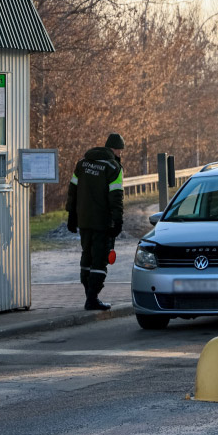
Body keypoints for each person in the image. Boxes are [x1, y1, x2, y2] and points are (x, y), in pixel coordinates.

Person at [66, 133, 125, 310]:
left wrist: (71, 215)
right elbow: (116, 197)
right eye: (120, 150)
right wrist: (118, 220)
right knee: (100, 260)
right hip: (102, 222)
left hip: (84, 220)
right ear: (114, 149)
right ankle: (92, 298)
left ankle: (89, 294)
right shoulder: (113, 167)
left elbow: (72, 191)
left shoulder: (82, 164)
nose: (120, 153)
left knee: (87, 256)